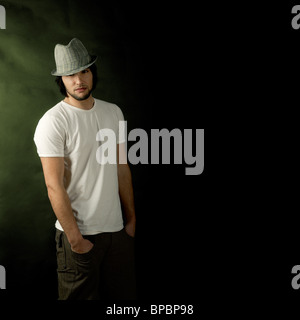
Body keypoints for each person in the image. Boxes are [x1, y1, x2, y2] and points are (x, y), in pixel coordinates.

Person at [33, 38, 137, 300]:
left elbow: (122, 167)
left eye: (84, 71)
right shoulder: (53, 121)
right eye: (70, 75)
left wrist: (131, 220)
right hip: (78, 236)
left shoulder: (114, 112)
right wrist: (76, 239)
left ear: (92, 73)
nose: (79, 80)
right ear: (62, 81)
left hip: (117, 234)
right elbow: (53, 185)